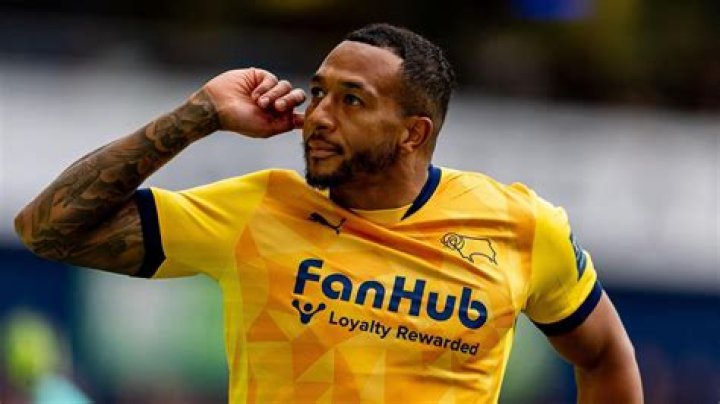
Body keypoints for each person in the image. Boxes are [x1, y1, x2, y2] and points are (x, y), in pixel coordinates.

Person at [14, 23, 642, 403]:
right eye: (317, 92)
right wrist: (197, 116)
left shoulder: (521, 226)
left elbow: (605, 357)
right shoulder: (256, 208)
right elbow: (46, 230)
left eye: (351, 100)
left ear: (413, 133)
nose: (317, 115)